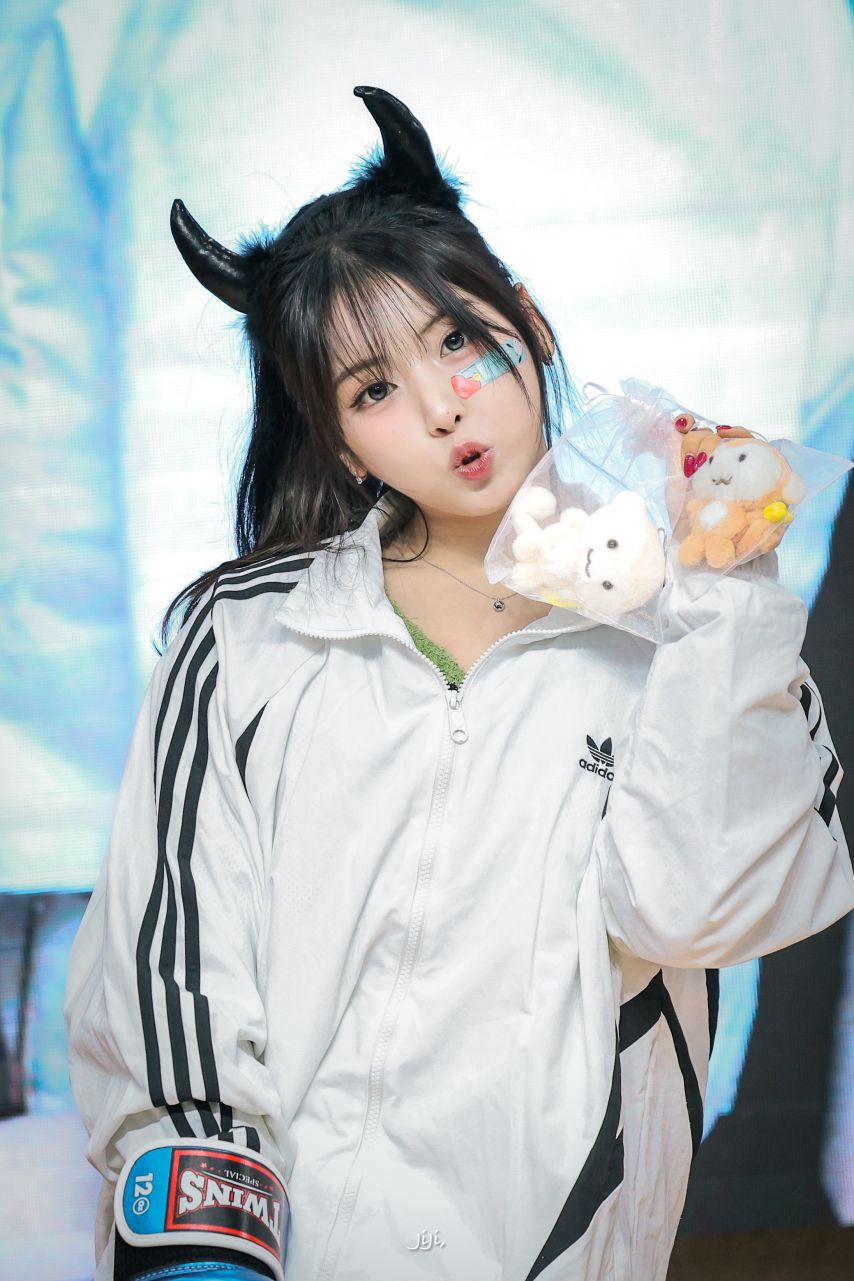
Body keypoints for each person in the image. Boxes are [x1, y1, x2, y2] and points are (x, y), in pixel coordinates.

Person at [64, 85, 854, 1281]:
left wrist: (727, 596)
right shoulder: (247, 638)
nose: (442, 408)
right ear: (338, 442)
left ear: (524, 320)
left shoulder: (681, 637)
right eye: (371, 390)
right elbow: (171, 986)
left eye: (455, 341)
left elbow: (700, 913)